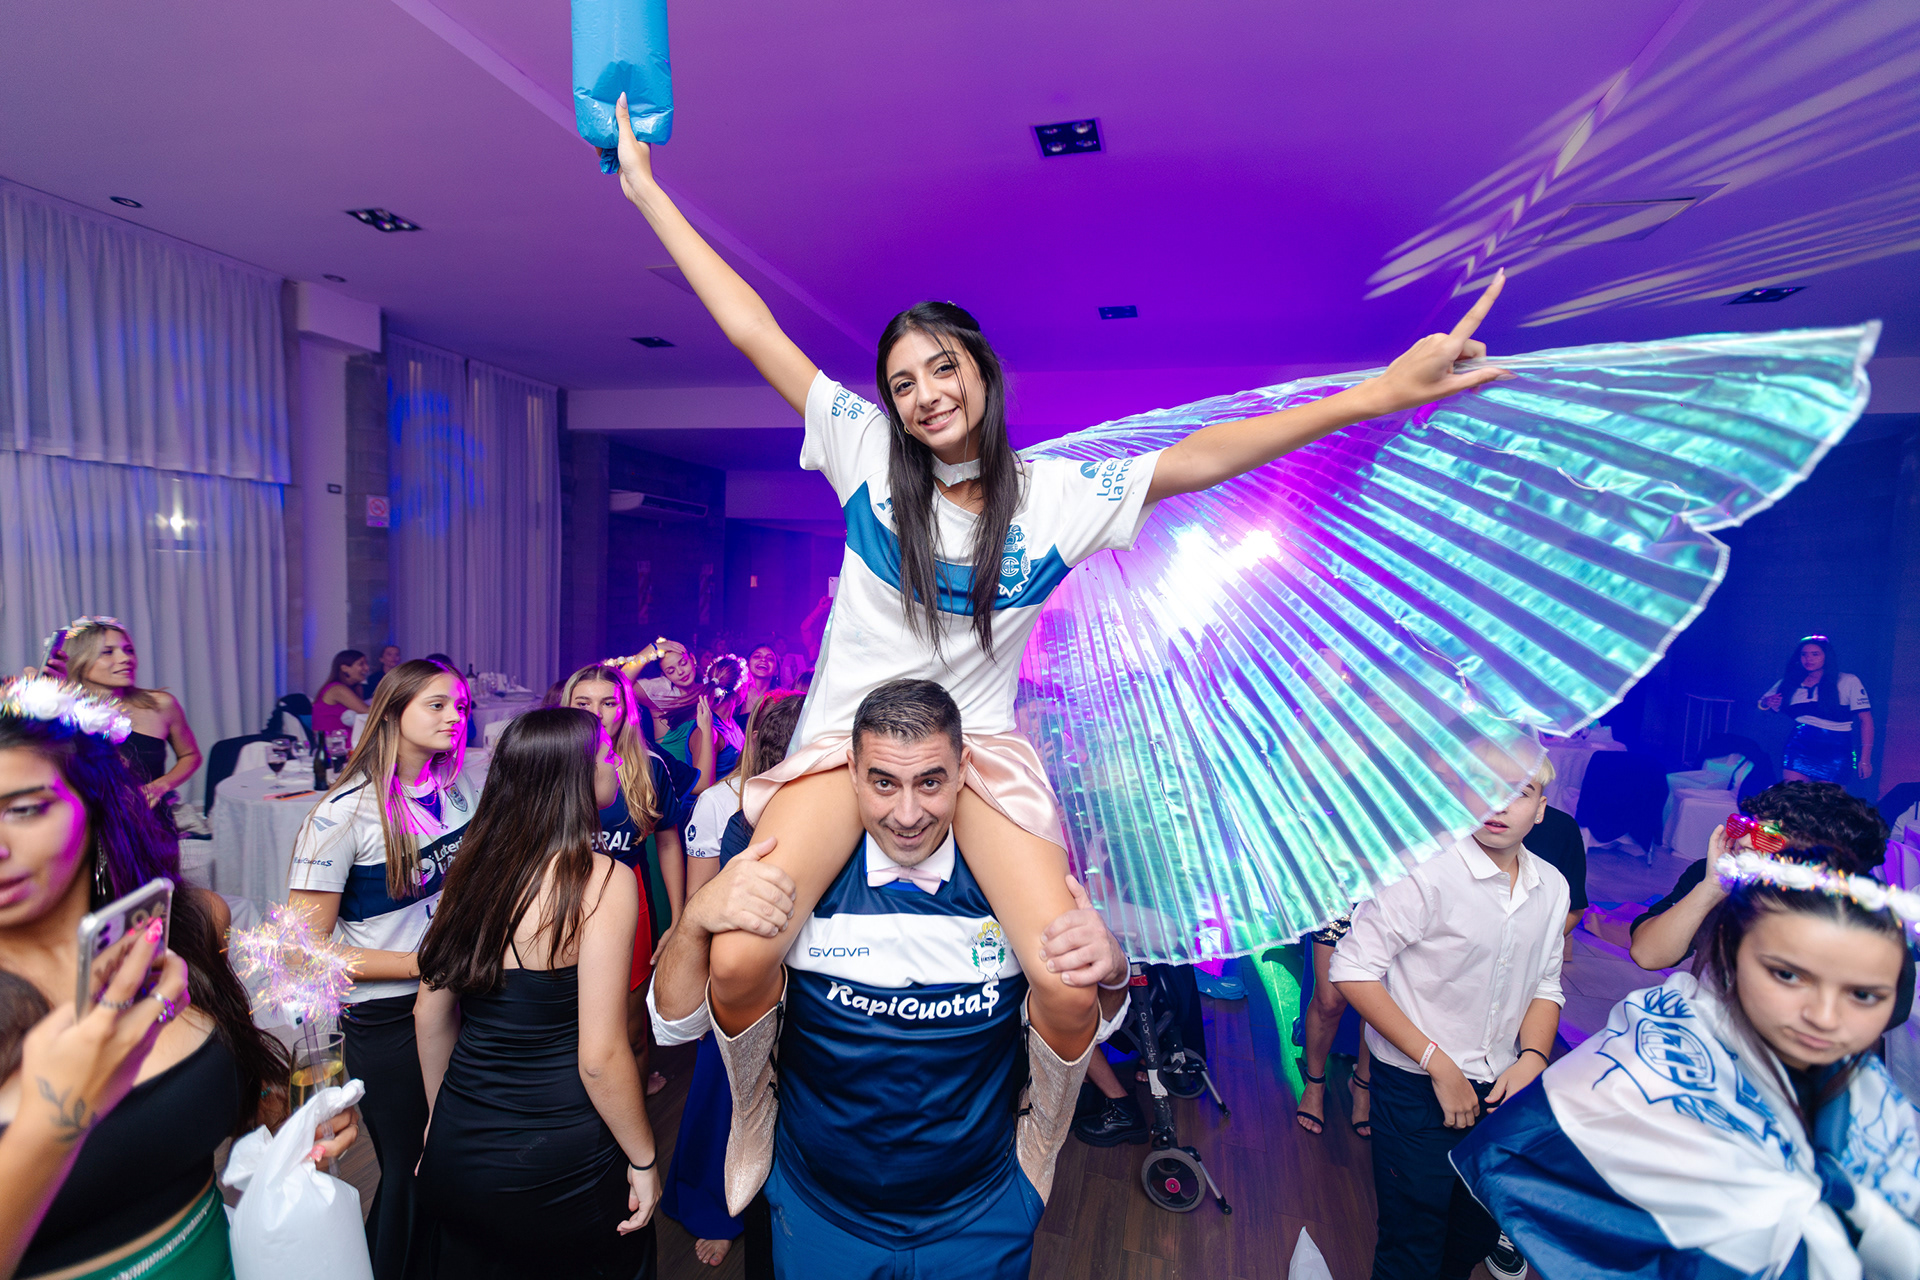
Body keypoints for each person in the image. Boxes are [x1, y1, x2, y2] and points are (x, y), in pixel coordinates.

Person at [610, 96, 1511, 1085]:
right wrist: (647, 190)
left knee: (1068, 981)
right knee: (740, 958)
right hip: (842, 746)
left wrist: (1378, 394)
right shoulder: (863, 453)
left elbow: (1201, 457)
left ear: (981, 373)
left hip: (980, 755)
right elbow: (752, 328)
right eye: (903, 383)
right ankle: (750, 1111)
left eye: (942, 368)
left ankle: (1041, 1136)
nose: (926, 394)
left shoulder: (1057, 496)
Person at [649, 680, 1132, 1279]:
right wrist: (696, 918)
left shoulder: (1012, 887)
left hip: (982, 1215)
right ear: (850, 772)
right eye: (884, 783)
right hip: (821, 1215)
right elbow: (674, 1025)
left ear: (964, 770)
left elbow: (1091, 1021)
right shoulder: (795, 877)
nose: (907, 816)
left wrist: (1114, 968)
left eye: (930, 782)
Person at [1453, 811, 1920, 1277]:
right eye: (1751, 833)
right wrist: (1715, 888)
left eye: (1771, 842)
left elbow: (1889, 1014)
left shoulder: (1862, 924)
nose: (1753, 847)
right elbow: (1647, 952)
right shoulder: (1717, 890)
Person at [0, 676, 350, 1279]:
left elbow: (219, 1095)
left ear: (96, 807)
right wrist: (57, 1115)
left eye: (24, 809)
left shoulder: (183, 927)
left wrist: (286, 1126)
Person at [414, 709, 660, 1279]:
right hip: (559, 1157)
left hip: (460, 1140)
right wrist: (645, 1158)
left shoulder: (471, 869)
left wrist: (438, 1121)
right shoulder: (603, 880)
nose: (617, 761)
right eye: (606, 754)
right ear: (573, 777)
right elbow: (599, 1057)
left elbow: (429, 1013)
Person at [1331, 768, 1569, 1280]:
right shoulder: (1422, 871)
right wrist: (1438, 1065)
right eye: (1485, 785)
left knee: (1472, 1237)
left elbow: (1545, 984)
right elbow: (1352, 968)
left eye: (1520, 792)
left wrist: (1533, 1058)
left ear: (1540, 809)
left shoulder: (1552, 885)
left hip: (1502, 1088)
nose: (1499, 804)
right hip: (1415, 1085)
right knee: (1412, 1245)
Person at [287, 659, 480, 1280]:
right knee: (410, 1168)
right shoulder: (341, 814)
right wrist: (421, 963)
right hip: (387, 1017)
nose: (455, 718)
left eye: (461, 706)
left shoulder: (453, 788)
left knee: (451, 1154)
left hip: (456, 997)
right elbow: (302, 953)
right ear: (393, 713)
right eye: (437, 705)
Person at [665, 690, 803, 1270]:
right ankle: (716, 1211)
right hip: (737, 969)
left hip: (798, 972)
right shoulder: (722, 803)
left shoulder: (824, 809)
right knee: (723, 1097)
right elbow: (701, 898)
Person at [564, 663, 687, 1096]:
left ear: (625, 709)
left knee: (632, 1025)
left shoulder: (649, 766)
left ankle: (631, 1103)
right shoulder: (550, 763)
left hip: (627, 903)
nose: (596, 714)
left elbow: (668, 841)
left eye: (608, 703)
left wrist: (678, 916)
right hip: (561, 902)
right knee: (570, 1017)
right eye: (583, 703)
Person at [1629, 781, 1888, 971]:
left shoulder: (1850, 910)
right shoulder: (1714, 874)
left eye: (1767, 837)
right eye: (1744, 827)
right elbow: (1647, 955)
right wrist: (1712, 889)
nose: (1743, 841)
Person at [56, 617, 202, 810]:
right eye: (108, 652)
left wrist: (161, 786)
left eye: (129, 650)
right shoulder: (62, 712)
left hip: (149, 820)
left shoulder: (160, 705)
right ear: (80, 660)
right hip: (88, 821)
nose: (126, 659)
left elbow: (190, 755)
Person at [1761, 635, 1874, 784]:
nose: (1809, 659)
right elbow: (1762, 704)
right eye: (1804, 654)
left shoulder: (1848, 680)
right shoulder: (1790, 682)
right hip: (1800, 745)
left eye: (1815, 654)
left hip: (1836, 748)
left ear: (1826, 657)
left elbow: (1866, 720)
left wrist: (1865, 759)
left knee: (1829, 797)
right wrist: (1767, 702)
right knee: (1793, 794)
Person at [622, 639, 719, 796]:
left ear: (692, 659)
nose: (680, 672)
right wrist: (652, 649)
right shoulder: (661, 693)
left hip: (707, 786)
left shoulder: (709, 690)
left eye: (683, 663)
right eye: (671, 670)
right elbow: (619, 682)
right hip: (673, 787)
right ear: (664, 675)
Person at [314, 649, 373, 746]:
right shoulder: (337, 689)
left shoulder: (357, 688)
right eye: (361, 664)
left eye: (366, 664)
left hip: (351, 739)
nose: (367, 668)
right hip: (334, 744)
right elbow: (368, 712)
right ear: (344, 668)